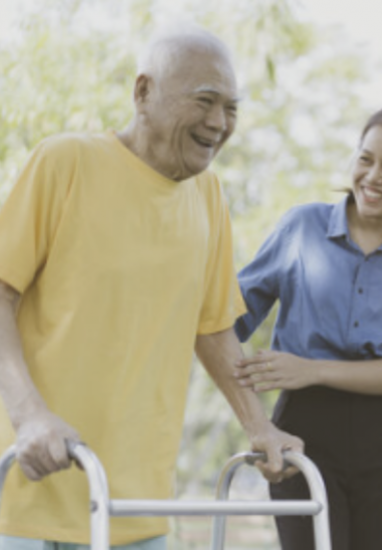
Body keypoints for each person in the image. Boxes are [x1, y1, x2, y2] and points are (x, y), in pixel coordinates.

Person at [0, 26, 301, 550]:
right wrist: (28, 415)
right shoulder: (66, 161)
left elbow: (213, 329)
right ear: (143, 92)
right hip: (32, 493)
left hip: (139, 505)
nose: (219, 122)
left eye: (231, 107)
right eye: (205, 101)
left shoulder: (208, 195)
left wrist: (259, 426)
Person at [234, 104, 382, 550]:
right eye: (365, 158)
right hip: (301, 434)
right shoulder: (301, 228)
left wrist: (313, 369)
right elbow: (224, 321)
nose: (373, 176)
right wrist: (254, 418)